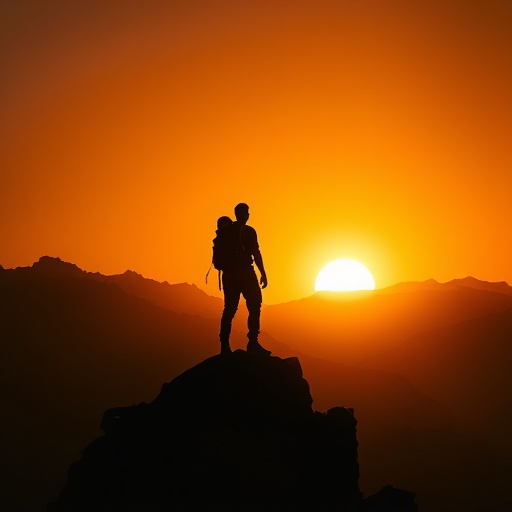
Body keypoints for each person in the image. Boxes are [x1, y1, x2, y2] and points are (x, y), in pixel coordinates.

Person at [219, 203, 270, 356]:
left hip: (228, 275)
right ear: (242, 214)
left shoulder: (226, 231)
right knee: (254, 306)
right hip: (245, 274)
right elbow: (256, 252)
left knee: (229, 310)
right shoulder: (248, 231)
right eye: (247, 212)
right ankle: (252, 343)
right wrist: (263, 273)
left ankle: (224, 347)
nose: (248, 215)